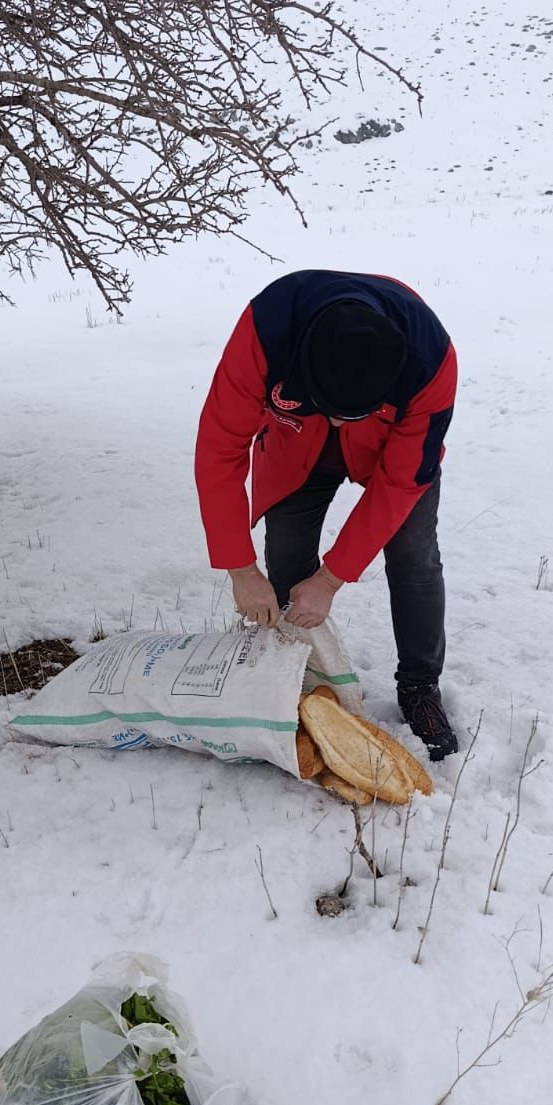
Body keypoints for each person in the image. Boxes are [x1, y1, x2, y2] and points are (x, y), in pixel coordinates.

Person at [194, 268, 460, 759]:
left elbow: (401, 482)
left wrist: (333, 578)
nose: (340, 421)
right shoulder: (267, 330)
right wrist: (239, 567)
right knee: (287, 558)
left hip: (390, 456)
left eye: (352, 412)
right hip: (296, 446)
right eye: (333, 408)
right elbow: (219, 450)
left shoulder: (430, 361)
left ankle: (420, 686)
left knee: (414, 558)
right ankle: (303, 681)